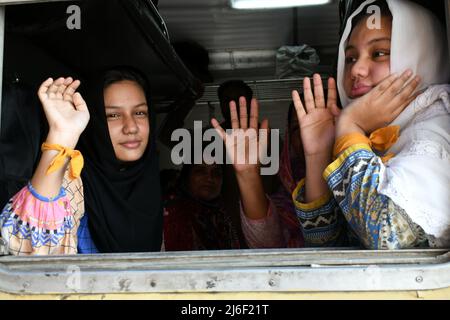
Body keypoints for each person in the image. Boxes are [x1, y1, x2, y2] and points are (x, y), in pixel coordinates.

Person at [292, 0, 450, 249]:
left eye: (379, 53)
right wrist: (318, 154)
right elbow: (326, 247)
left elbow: (389, 237)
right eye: (351, 57)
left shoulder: (437, 131)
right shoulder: (374, 138)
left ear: (422, 57)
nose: (357, 69)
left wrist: (350, 125)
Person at [0, 67, 163, 254]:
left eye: (140, 113)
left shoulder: (148, 180)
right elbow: (24, 248)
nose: (131, 127)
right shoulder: (73, 176)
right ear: (96, 121)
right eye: (113, 115)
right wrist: (61, 135)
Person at [163, 160, 240, 251]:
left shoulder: (226, 216)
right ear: (187, 176)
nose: (210, 178)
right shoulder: (169, 212)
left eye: (216, 173)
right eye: (200, 171)